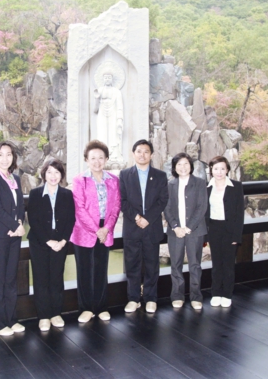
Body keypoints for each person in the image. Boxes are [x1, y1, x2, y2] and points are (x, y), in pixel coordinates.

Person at [70, 140, 121, 323]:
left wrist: (106, 228)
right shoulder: (79, 180)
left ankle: (101, 307)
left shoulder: (113, 180)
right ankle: (85, 308)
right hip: (84, 230)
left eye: (101, 157)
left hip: (105, 229)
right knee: (84, 270)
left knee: (101, 269)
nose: (97, 161)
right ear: (86, 160)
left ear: (106, 159)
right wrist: (96, 229)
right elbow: (79, 208)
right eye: (93, 158)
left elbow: (116, 206)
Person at [119, 139, 169, 314]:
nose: (142, 155)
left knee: (152, 265)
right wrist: (137, 217)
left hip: (152, 226)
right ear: (133, 154)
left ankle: (150, 298)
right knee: (132, 265)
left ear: (151, 155)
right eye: (139, 151)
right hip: (132, 228)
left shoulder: (160, 176)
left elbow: (163, 200)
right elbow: (122, 200)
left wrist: (147, 218)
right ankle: (133, 299)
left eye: (146, 151)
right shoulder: (124, 174)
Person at [26, 159, 76, 332]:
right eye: (49, 172)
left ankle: (55, 313)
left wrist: (63, 241)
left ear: (61, 175)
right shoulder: (35, 193)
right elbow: (33, 220)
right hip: (39, 242)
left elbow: (71, 219)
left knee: (56, 277)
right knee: (41, 279)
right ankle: (43, 316)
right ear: (44, 174)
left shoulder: (67, 194)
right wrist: (48, 241)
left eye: (57, 172)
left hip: (60, 243)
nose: (53, 176)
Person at [0, 141, 26, 336]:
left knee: (10, 279)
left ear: (13, 157)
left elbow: (21, 206)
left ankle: (10, 319)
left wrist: (19, 223)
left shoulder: (14, 178)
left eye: (9, 154)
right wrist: (15, 226)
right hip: (0, 236)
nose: (5, 158)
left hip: (14, 235)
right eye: (0, 154)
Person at [164, 153, 208, 310]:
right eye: (179, 164)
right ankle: (177, 295)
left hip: (194, 230)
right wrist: (175, 226)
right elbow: (167, 208)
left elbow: (202, 207)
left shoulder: (200, 183)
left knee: (195, 264)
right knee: (175, 264)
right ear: (174, 167)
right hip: (175, 231)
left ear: (191, 166)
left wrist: (188, 227)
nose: (183, 167)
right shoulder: (170, 184)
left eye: (186, 164)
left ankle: (196, 296)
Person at [205, 156, 244, 308]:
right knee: (216, 264)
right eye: (216, 169)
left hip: (230, 229)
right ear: (211, 170)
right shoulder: (207, 187)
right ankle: (216, 293)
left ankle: (227, 294)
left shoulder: (236, 186)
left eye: (222, 168)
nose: (219, 172)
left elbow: (239, 213)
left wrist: (236, 235)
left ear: (227, 169)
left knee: (228, 264)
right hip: (214, 228)